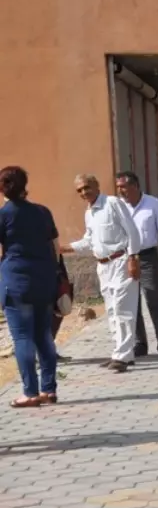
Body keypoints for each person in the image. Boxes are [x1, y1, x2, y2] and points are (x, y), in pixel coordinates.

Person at [61, 174, 141, 372]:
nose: (83, 193)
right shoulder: (90, 212)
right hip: (103, 266)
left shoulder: (113, 203)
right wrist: (64, 247)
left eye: (87, 187)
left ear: (97, 186)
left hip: (121, 261)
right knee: (112, 310)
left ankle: (122, 356)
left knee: (124, 309)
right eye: (79, 190)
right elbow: (89, 241)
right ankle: (121, 352)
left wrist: (133, 258)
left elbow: (132, 231)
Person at [0, 166, 59, 407]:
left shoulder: (4, 214)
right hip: (43, 280)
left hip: (16, 282)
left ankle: (30, 392)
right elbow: (55, 245)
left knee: (23, 337)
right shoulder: (42, 212)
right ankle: (49, 389)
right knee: (43, 336)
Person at [115, 171, 158, 360]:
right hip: (127, 258)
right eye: (118, 188)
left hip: (148, 257)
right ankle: (140, 344)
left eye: (124, 187)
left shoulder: (153, 204)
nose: (121, 191)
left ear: (136, 186)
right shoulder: (118, 207)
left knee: (154, 300)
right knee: (133, 303)